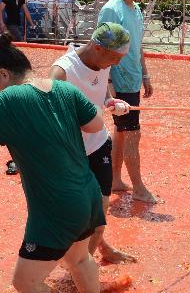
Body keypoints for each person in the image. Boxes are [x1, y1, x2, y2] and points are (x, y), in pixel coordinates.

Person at [0, 33, 107, 293]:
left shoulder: (9, 98)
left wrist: (10, 121)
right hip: (87, 192)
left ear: (3, 74)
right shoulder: (65, 88)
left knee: (25, 282)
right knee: (79, 258)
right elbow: (96, 125)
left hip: (56, 206)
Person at [50, 22, 136, 265]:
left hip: (98, 145)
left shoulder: (102, 62)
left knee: (99, 217)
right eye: (115, 58)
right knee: (78, 219)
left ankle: (89, 259)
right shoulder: (63, 72)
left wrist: (110, 101)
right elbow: (53, 119)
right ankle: (80, 272)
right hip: (71, 154)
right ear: (97, 48)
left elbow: (101, 91)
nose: (117, 64)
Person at [98, 0, 158, 204]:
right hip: (119, 82)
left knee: (123, 134)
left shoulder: (135, 9)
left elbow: (137, 45)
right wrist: (109, 88)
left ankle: (114, 179)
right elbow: (101, 50)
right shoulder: (113, 10)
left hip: (133, 79)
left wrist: (145, 75)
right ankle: (139, 188)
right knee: (133, 134)